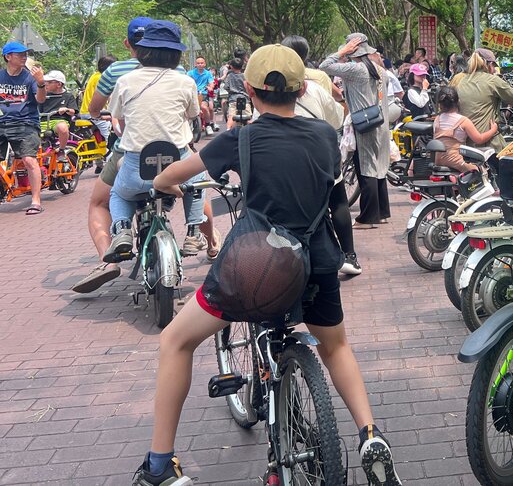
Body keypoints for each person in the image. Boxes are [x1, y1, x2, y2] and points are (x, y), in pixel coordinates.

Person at [131, 44, 401, 486]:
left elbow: (172, 175)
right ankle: (371, 433)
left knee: (175, 342)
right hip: (316, 261)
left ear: (251, 91)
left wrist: (163, 183)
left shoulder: (240, 139)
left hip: (256, 266)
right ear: (301, 88)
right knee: (335, 347)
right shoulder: (325, 135)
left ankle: (161, 464)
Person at [105, 21, 202, 243]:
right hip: (176, 165)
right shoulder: (186, 82)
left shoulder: (125, 81)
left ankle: (121, 230)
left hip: (137, 167)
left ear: (142, 50)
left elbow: (118, 117)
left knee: (119, 192)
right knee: (197, 177)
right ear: (175, 55)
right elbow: (192, 114)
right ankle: (194, 233)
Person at [284, 40, 361, 278]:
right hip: (320, 153)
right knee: (337, 200)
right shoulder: (317, 80)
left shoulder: (271, 81)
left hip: (285, 156)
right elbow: (337, 119)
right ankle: (349, 255)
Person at [320, 33, 394, 227]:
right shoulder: (380, 70)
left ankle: (367, 218)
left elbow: (324, 66)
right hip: (381, 124)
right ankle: (382, 212)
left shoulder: (356, 70)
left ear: (353, 50)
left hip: (365, 125)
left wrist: (342, 52)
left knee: (366, 168)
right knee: (378, 167)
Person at [454, 48, 513, 148]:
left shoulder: (462, 81)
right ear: (487, 64)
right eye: (493, 66)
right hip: (487, 142)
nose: (494, 70)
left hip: (465, 143)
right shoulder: (492, 80)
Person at [0, 41, 47, 214]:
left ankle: (35, 201)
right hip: (2, 122)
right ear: (8, 57)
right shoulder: (0, 76)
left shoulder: (29, 77)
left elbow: (41, 100)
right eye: (20, 54)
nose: (24, 57)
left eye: (25, 54)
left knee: (28, 159)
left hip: (26, 122)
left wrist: (41, 83)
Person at [432, 86, 498, 172]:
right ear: (458, 102)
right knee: (481, 172)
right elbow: (479, 139)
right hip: (456, 161)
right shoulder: (463, 121)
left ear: (440, 105)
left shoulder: (437, 119)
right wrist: (493, 130)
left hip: (438, 160)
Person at [81, 55, 116, 143]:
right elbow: (108, 97)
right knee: (110, 137)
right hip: (92, 113)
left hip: (84, 112)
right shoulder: (102, 78)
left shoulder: (95, 75)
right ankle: (109, 153)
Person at [40, 70, 78, 148]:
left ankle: (61, 150)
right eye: (45, 82)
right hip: (42, 121)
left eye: (49, 82)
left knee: (62, 128)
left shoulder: (68, 96)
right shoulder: (43, 95)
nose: (46, 84)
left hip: (59, 121)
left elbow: (73, 111)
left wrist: (66, 109)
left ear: (59, 84)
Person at [187, 56, 215, 134]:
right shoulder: (190, 73)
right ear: (195, 64)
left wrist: (210, 87)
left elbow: (211, 83)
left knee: (204, 107)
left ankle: (208, 125)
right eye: (198, 63)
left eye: (201, 63)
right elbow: (186, 81)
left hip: (203, 94)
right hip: (192, 94)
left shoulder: (208, 74)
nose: (200, 64)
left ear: (205, 64)